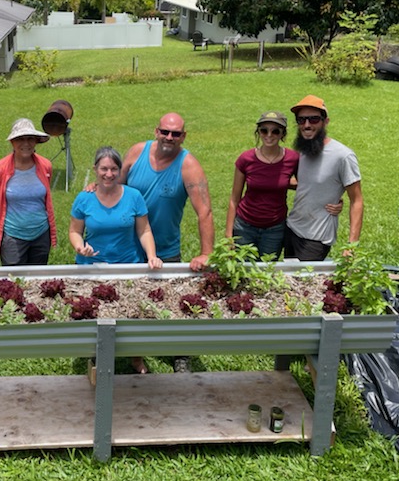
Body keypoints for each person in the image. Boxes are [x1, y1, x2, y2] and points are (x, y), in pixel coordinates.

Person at [70, 147, 163, 374]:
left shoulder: (133, 196)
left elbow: (144, 230)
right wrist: (80, 247)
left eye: (114, 169)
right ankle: (97, 357)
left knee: (133, 315)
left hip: (127, 264)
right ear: (95, 169)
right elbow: (74, 231)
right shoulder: (84, 199)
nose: (109, 174)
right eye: (104, 168)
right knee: (94, 315)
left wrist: (151, 255)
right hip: (92, 267)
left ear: (120, 170)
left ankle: (136, 357)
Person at [121, 112, 214, 271]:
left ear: (183, 136)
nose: (169, 137)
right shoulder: (136, 152)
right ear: (156, 131)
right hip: (127, 248)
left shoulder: (189, 166)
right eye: (165, 132)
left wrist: (206, 253)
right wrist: (96, 186)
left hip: (164, 253)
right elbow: (115, 187)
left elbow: (204, 211)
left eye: (176, 134)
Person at [284, 95, 363, 261]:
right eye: (301, 120)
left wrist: (351, 246)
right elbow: (305, 183)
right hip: (292, 228)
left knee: (304, 284)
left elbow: (357, 201)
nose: (306, 125)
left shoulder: (343, 156)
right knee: (288, 281)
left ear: (325, 121)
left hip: (316, 237)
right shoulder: (303, 150)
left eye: (313, 120)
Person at [225, 111, 300, 258]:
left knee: (267, 272)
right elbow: (234, 199)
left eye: (275, 131)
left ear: (282, 134)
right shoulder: (246, 159)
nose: (269, 135)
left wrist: (332, 198)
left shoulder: (293, 159)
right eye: (264, 130)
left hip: (275, 228)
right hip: (244, 225)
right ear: (258, 132)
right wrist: (229, 235)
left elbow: (306, 185)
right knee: (242, 272)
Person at [0, 118, 57, 265]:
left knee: (37, 281)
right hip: (13, 235)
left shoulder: (45, 166)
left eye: (30, 138)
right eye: (20, 139)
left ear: (36, 141)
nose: (26, 143)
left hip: (41, 234)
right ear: (12, 142)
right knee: (14, 282)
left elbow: (44, 198)